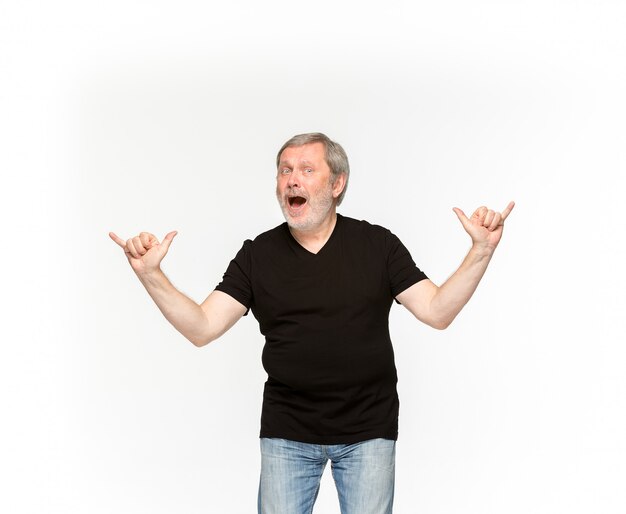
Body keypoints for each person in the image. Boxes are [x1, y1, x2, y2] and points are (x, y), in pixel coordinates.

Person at [109, 132, 514, 514]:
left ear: (337, 184)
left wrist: (481, 251)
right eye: (284, 170)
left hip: (368, 432)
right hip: (287, 433)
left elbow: (438, 311)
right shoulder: (258, 254)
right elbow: (201, 326)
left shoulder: (378, 246)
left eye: (306, 169)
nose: (291, 180)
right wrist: (150, 274)